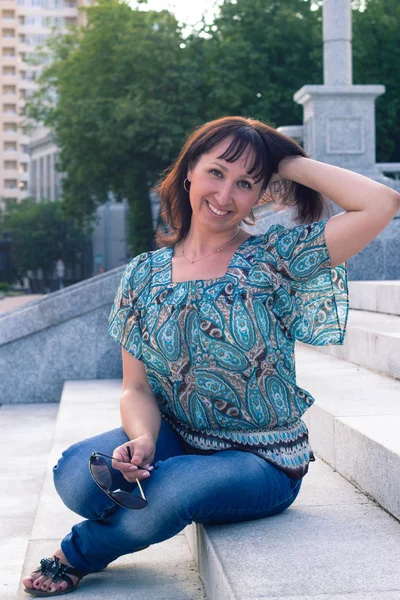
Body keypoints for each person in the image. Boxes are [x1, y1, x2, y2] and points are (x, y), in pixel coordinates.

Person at [22, 116, 400, 596]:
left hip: (263, 458)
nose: (225, 195)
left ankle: (74, 555)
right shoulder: (144, 274)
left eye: (246, 183)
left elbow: (381, 203)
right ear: (189, 173)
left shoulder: (273, 259)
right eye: (217, 172)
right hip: (179, 435)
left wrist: (280, 158)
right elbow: (135, 387)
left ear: (263, 194)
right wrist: (141, 439)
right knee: (76, 476)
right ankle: (144, 501)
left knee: (167, 492)